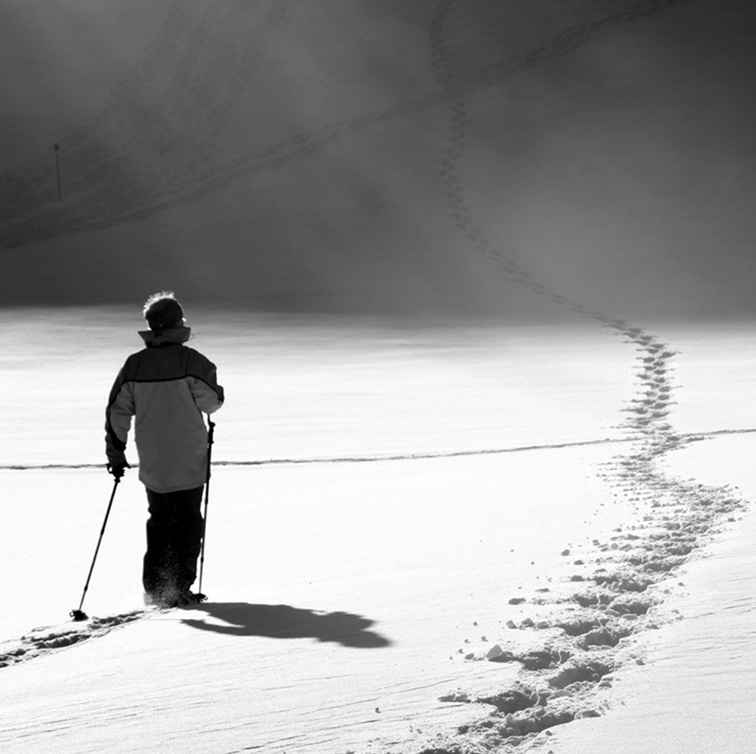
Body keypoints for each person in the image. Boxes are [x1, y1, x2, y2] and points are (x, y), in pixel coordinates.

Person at [105, 292, 224, 607]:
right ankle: (179, 588)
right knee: (187, 522)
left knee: (159, 521)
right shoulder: (192, 361)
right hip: (189, 459)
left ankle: (156, 588)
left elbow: (116, 412)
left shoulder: (134, 366)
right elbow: (212, 402)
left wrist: (116, 454)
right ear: (177, 324)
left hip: (153, 461)